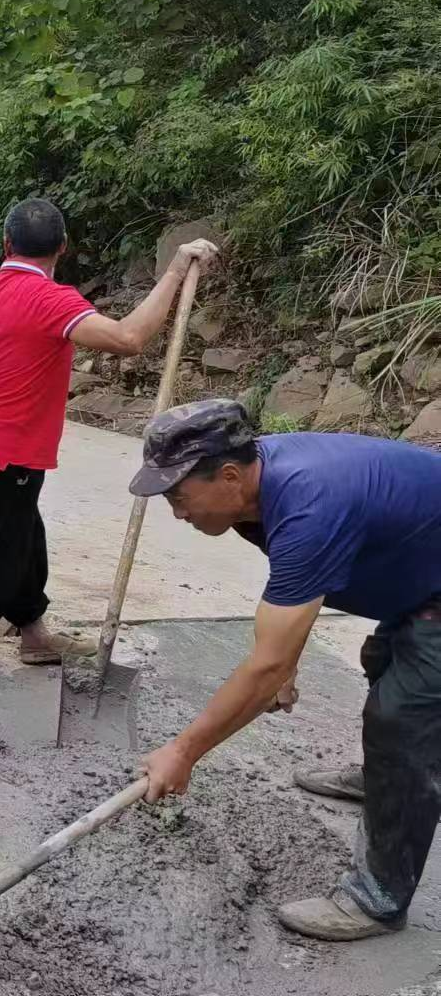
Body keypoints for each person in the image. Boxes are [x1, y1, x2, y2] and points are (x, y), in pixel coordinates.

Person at [134, 398, 441, 941]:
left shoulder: (308, 503)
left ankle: (378, 899)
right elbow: (298, 593)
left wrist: (183, 752)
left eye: (180, 498)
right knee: (385, 662)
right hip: (422, 569)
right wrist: (287, 660)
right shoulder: (254, 489)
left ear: (229, 474)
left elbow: (265, 663)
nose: (177, 515)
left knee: (405, 717)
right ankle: (385, 779)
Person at [0, 197, 219, 687]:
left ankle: (35, 632)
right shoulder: (50, 300)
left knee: (24, 533)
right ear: (62, 247)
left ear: (6, 243)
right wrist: (172, 272)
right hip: (7, 449)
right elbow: (129, 338)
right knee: (4, 550)